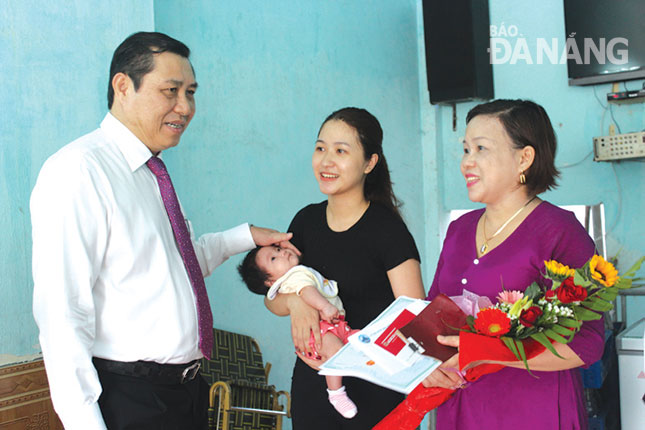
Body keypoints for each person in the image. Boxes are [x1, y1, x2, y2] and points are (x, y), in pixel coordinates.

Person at [30, 32, 298, 430]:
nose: (185, 107)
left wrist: (245, 236)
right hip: (130, 398)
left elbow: (175, 266)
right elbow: (62, 314)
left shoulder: (152, 173)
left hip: (186, 392)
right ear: (123, 86)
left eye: (190, 92)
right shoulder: (79, 171)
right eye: (170, 90)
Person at [422, 99, 605, 429]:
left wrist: (490, 351)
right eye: (466, 149)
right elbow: (433, 312)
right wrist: (423, 365)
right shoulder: (459, 230)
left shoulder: (559, 232)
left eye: (481, 149)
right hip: (461, 408)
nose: (467, 162)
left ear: (524, 157)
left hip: (534, 412)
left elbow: (587, 344)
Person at [265, 107, 426, 429]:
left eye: (341, 151)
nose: (326, 161)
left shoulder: (387, 230)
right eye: (320, 148)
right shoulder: (305, 221)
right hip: (315, 383)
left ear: (369, 163)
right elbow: (273, 296)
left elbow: (414, 316)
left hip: (375, 385)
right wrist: (297, 303)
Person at [238, 244, 360, 419]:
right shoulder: (294, 277)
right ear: (270, 282)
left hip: (336, 326)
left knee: (360, 339)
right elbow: (307, 291)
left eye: (278, 250)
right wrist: (324, 306)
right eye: (274, 258)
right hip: (319, 330)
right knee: (336, 352)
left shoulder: (298, 272)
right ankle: (336, 393)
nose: (282, 253)